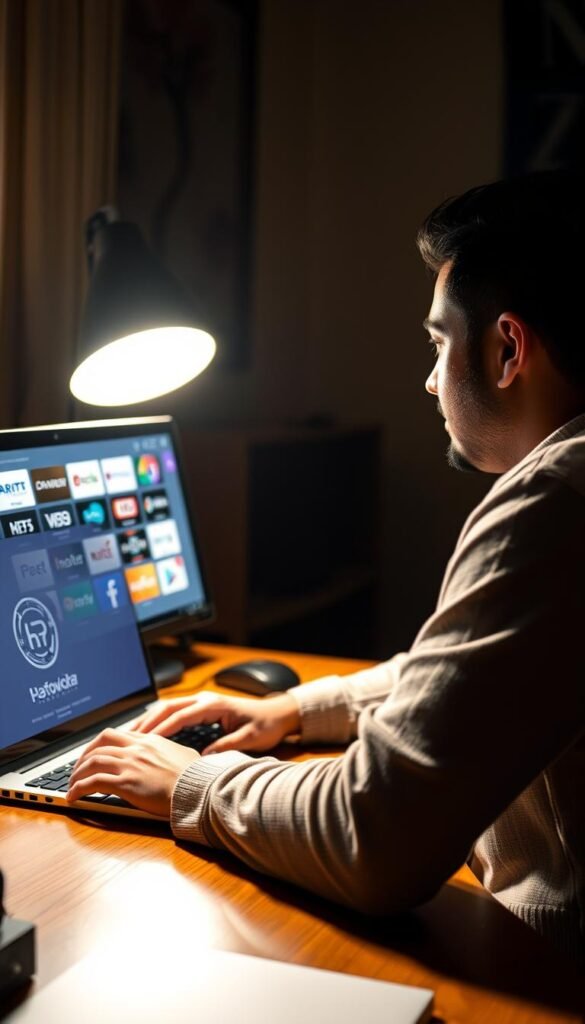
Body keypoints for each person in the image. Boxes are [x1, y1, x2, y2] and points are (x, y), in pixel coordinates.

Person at [67, 171, 585, 967]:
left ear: (507, 349)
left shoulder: (552, 502)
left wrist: (189, 783)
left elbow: (374, 837)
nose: (429, 379)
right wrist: (295, 711)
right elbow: (478, 674)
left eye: (437, 343)